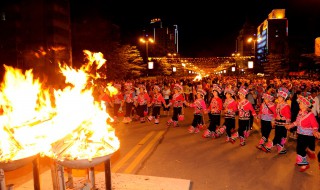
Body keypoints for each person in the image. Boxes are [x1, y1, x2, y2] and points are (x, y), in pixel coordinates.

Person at [285, 94, 319, 172]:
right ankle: (300, 161)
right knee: (300, 148)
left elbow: (315, 125)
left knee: (300, 149)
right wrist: (290, 126)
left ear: (305, 105)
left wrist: (315, 131)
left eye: (300, 103)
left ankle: (304, 164)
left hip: (307, 136)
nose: (299, 104)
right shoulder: (300, 112)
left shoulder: (310, 115)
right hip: (300, 134)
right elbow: (297, 122)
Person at [262, 87, 291, 154]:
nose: (279, 98)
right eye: (278, 97)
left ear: (284, 98)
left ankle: (280, 149)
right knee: (278, 137)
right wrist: (273, 120)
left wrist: (287, 124)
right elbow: (275, 113)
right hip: (279, 124)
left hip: (283, 124)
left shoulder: (286, 106)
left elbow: (288, 116)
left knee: (282, 136)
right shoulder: (278, 104)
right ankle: (268, 146)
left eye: (280, 97)